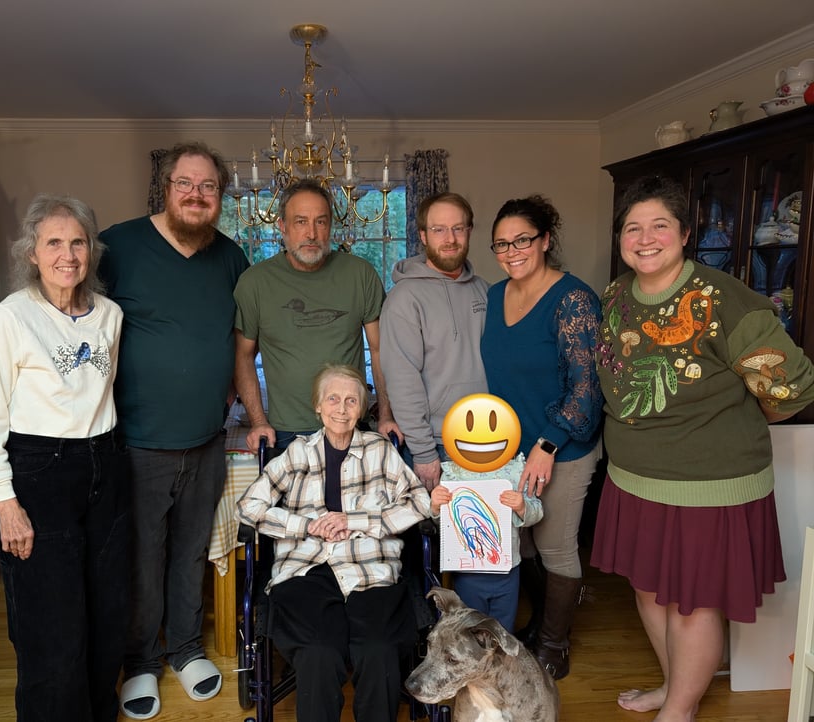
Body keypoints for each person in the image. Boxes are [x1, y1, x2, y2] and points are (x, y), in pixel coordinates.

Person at [590, 175, 814, 720]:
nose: (645, 238)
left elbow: (793, 388)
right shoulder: (617, 292)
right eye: (633, 227)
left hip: (707, 485)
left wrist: (723, 422)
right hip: (634, 476)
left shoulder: (726, 299)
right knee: (649, 590)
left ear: (685, 234)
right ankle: (676, 686)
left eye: (659, 226)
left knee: (691, 604)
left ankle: (681, 710)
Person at [99, 142, 249, 718]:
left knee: (189, 551)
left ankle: (185, 649)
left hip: (208, 438)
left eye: (208, 187)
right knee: (143, 556)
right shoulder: (119, 246)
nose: (196, 194)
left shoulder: (231, 258)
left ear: (219, 197)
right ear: (166, 187)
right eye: (186, 183)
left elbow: (238, 341)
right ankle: (140, 661)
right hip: (136, 440)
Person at [0, 194, 128, 722]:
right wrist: (5, 504)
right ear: (32, 253)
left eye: (78, 241)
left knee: (106, 615)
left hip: (104, 465)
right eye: (54, 242)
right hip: (38, 472)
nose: (68, 254)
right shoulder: (12, 317)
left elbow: (101, 394)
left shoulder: (110, 315)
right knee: (51, 626)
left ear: (92, 250)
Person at [236, 364, 434, 722]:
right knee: (317, 652)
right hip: (307, 568)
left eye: (351, 400)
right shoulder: (298, 453)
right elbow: (249, 506)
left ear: (362, 408)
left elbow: (421, 504)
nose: (341, 408)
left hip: (370, 569)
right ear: (318, 406)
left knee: (378, 651)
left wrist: (354, 522)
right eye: (333, 399)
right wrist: (307, 525)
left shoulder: (381, 451)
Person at [479, 194, 603, 680]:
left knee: (554, 544)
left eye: (522, 240)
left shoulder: (573, 300)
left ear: (546, 240)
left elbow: (587, 388)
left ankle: (555, 646)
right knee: (521, 542)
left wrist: (547, 445)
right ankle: (539, 625)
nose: (512, 252)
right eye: (501, 244)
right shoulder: (494, 295)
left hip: (564, 445)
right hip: (510, 447)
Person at [233, 178, 400, 452]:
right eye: (300, 222)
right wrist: (258, 421)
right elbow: (243, 356)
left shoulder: (360, 275)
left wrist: (385, 415)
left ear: (330, 226)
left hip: (350, 425)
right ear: (282, 227)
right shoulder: (254, 283)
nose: (311, 233)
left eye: (320, 222)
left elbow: (380, 350)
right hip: (286, 432)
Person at [379, 192, 489, 491]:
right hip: (437, 444)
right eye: (439, 229)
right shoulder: (404, 299)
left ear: (469, 232)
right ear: (423, 236)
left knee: (485, 532)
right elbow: (402, 379)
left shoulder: (485, 290)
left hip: (488, 435)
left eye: (458, 228)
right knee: (439, 536)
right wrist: (424, 451)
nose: (450, 238)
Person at [430, 457, 544, 630]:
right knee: (470, 632)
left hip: (508, 572)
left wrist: (522, 507)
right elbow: (446, 526)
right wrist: (436, 508)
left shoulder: (516, 469)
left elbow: (537, 511)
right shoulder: (453, 473)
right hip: (467, 574)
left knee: (504, 631)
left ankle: (500, 658)